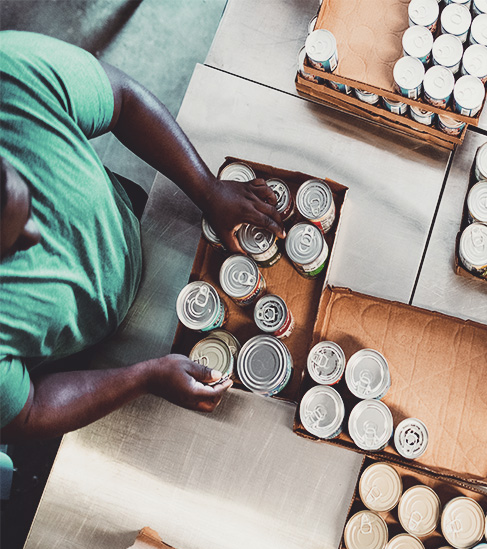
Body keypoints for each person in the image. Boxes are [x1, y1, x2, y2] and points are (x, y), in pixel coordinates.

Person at [0, 31, 286, 441]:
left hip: (130, 224)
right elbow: (26, 412)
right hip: (75, 358)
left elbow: (124, 100)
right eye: (9, 247)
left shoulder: (10, 76)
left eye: (27, 199)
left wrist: (207, 188)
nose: (37, 234)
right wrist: (143, 378)